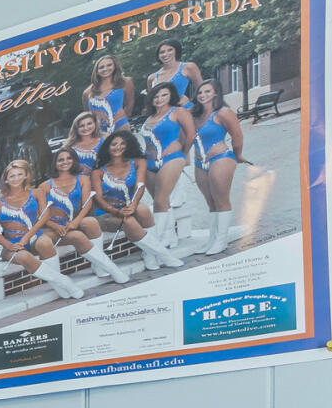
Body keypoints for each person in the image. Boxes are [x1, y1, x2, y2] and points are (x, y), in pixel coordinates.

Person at [0, 156, 83, 301]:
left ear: (26, 175)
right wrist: (9, 245)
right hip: (12, 244)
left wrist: (27, 237)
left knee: (45, 242)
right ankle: (65, 282)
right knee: (24, 257)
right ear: (5, 179)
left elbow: (44, 217)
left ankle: (60, 288)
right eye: (12, 176)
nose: (16, 178)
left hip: (34, 237)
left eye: (20, 174)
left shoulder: (36, 193)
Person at [42, 143, 131, 284]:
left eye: (69, 158)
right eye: (61, 160)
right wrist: (56, 226)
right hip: (53, 227)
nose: (65, 162)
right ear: (55, 163)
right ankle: (112, 269)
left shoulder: (82, 179)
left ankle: (99, 267)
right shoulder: (45, 186)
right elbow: (41, 215)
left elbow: (87, 203)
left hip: (73, 221)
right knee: (77, 235)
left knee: (90, 222)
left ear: (74, 160)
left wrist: (76, 222)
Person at [92, 127, 172, 270]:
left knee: (143, 210)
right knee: (128, 221)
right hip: (105, 213)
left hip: (127, 205)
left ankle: (149, 254)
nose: (118, 147)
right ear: (107, 147)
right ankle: (165, 255)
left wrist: (133, 205)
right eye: (114, 144)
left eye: (122, 143)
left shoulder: (137, 161)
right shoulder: (98, 171)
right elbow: (98, 199)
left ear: (128, 145)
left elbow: (140, 186)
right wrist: (116, 211)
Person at [190, 76, 247, 254]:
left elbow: (237, 135)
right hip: (199, 162)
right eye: (200, 92)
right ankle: (212, 240)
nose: (203, 95)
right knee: (211, 202)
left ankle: (221, 241)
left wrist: (237, 155)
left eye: (207, 91)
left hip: (221, 158)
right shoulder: (194, 115)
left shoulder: (223, 112)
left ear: (216, 93)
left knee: (221, 200)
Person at [137, 81, 200, 233]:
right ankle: (170, 236)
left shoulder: (178, 112)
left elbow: (191, 135)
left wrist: (183, 152)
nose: (160, 99)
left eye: (164, 95)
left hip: (171, 159)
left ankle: (160, 238)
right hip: (149, 164)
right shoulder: (149, 117)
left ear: (171, 96)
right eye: (156, 96)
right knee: (160, 202)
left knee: (160, 201)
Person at [78, 51, 130, 158]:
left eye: (109, 65)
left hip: (121, 126)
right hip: (100, 132)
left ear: (115, 66)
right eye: (101, 67)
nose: (105, 69)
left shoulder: (124, 83)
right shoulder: (87, 93)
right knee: (106, 160)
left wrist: (121, 118)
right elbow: (88, 116)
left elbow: (129, 106)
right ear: (96, 71)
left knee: (126, 158)